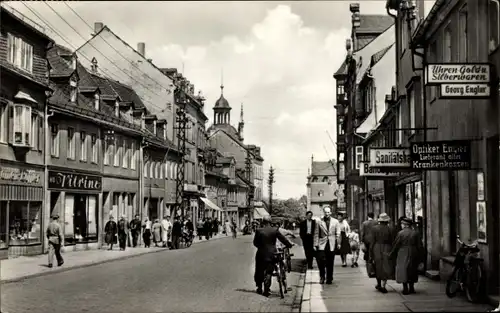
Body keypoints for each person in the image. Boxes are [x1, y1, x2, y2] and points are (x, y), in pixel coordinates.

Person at [253, 215, 294, 297]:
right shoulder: (274, 230)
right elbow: (283, 239)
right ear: (270, 221)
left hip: (261, 253)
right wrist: (289, 245)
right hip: (272, 254)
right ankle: (267, 289)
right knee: (269, 271)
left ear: (263, 222)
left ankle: (259, 287)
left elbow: (255, 243)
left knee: (259, 270)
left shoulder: (258, 230)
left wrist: (261, 247)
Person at [390, 217, 424, 295]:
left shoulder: (400, 233)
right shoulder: (415, 233)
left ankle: (405, 288)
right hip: (413, 252)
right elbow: (420, 246)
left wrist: (391, 254)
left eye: (402, 224)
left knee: (403, 269)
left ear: (405, 225)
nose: (401, 225)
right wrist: (421, 256)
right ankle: (411, 287)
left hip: (403, 252)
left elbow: (396, 245)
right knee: (412, 269)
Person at [313, 206, 341, 285]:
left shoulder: (335, 222)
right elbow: (316, 234)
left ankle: (329, 278)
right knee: (321, 261)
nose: (327, 214)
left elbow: (338, 234)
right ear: (323, 212)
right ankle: (322, 276)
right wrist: (315, 244)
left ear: (331, 213)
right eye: (325, 212)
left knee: (330, 262)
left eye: (328, 212)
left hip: (331, 244)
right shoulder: (319, 222)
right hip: (322, 244)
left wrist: (338, 243)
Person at [370, 213, 396, 293]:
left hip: (377, 248)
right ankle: (383, 285)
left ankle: (378, 284)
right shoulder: (391, 229)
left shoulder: (374, 229)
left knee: (377, 266)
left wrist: (370, 252)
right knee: (386, 266)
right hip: (387, 248)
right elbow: (393, 241)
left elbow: (372, 241)